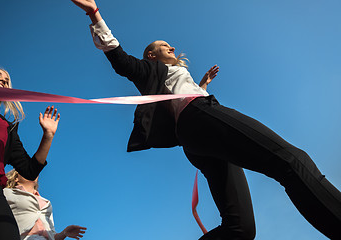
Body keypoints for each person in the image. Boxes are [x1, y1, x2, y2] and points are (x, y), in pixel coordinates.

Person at [70, 1, 341, 239]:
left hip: (196, 135)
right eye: (164, 45)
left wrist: (202, 85)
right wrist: (95, 13)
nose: (172, 46)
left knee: (240, 229)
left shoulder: (178, 77)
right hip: (197, 118)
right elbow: (121, 61)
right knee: (291, 161)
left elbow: (181, 96)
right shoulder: (150, 69)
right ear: (151, 55)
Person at [0, 67, 60, 240]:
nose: (2, 79)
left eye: (6, 79)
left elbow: (29, 170)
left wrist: (48, 136)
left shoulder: (8, 127)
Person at [4, 169, 87, 240]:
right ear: (16, 178)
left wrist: (64, 233)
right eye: (26, 170)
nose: (31, 172)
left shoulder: (46, 202)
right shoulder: (6, 193)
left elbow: (52, 235)